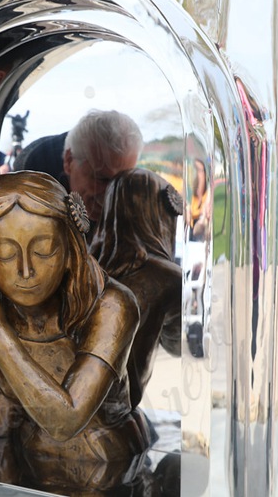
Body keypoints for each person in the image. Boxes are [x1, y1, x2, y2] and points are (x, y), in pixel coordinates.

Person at [0, 171, 150, 497]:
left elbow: (66, 420)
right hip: (32, 463)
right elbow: (1, 403)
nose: (25, 270)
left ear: (69, 247)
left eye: (44, 249)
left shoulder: (112, 306)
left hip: (106, 468)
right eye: (5, 253)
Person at [89, 168, 183, 408]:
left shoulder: (87, 263)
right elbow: (179, 345)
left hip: (79, 401)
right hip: (120, 408)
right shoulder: (167, 277)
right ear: (161, 214)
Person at [12, 109, 143, 226]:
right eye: (102, 179)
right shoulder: (29, 192)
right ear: (69, 162)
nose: (112, 195)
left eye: (123, 181)